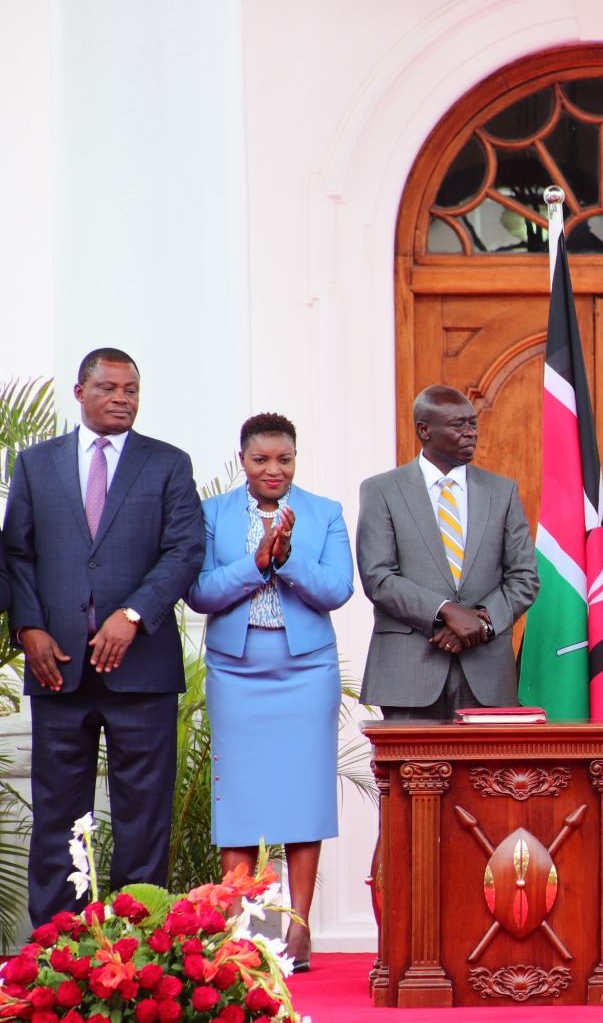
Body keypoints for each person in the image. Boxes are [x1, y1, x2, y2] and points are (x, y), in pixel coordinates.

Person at [2, 348, 204, 926]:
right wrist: (29, 626)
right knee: (58, 820)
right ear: (79, 392)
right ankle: (59, 951)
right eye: (110, 388)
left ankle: (136, 951)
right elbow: (17, 552)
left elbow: (185, 549)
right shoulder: (36, 463)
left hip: (142, 672)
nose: (122, 398)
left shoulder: (167, 463)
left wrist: (134, 613)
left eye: (132, 390)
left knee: (143, 819)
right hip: (56, 668)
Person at [184, 413, 353, 972]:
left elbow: (337, 589)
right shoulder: (211, 515)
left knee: (303, 796)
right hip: (237, 671)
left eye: (284, 459)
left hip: (306, 671)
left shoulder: (324, 513)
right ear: (243, 461)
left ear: (295, 459)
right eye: (261, 460)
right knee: (241, 799)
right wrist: (256, 565)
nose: (273, 469)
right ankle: (245, 928)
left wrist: (288, 559)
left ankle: (297, 931)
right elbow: (201, 592)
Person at [357, 386, 539, 717]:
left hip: (487, 676)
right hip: (409, 673)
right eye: (459, 426)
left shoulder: (502, 491)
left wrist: (482, 623)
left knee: (490, 771)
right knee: (410, 769)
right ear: (423, 429)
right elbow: (378, 577)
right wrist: (448, 612)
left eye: (473, 424)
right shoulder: (380, 490)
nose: (471, 434)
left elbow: (524, 577)